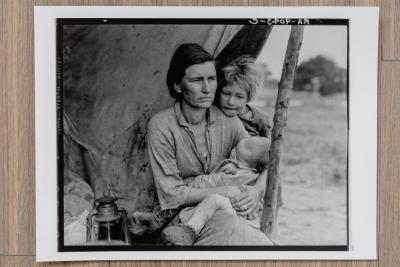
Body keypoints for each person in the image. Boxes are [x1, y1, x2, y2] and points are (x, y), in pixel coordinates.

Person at [133, 43, 272, 246]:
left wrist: (257, 189)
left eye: (212, 79)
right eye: (197, 80)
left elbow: (265, 160)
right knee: (231, 231)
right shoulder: (161, 126)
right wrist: (223, 191)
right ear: (178, 85)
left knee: (238, 230)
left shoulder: (229, 121)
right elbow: (173, 194)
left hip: (228, 209)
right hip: (185, 215)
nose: (208, 89)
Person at [160, 136, 270, 245]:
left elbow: (209, 183)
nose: (232, 154)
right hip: (250, 221)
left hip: (237, 214)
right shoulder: (255, 177)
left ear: (253, 168)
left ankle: (190, 229)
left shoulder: (235, 175)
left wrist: (192, 183)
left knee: (214, 200)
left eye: (237, 158)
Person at [216, 55, 283, 216]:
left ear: (249, 97)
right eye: (226, 93)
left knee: (269, 200)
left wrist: (258, 189)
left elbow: (271, 160)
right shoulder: (214, 113)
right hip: (228, 175)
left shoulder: (260, 120)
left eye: (239, 97)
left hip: (256, 177)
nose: (231, 102)